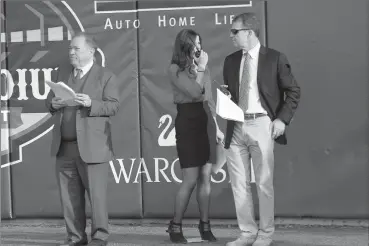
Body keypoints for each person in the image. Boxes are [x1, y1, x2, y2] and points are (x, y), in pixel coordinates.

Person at [222, 13, 301, 246]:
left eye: (234, 31)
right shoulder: (230, 60)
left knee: (264, 183)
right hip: (235, 126)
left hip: (262, 125)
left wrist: (282, 120)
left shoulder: (275, 58)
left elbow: (293, 91)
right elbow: (233, 93)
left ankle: (265, 234)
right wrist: (227, 97)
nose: (231, 36)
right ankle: (247, 233)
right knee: (239, 184)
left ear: (249, 32)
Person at [45, 32, 120, 246]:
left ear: (91, 51)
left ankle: (100, 236)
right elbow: (49, 103)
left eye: (76, 49)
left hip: (93, 147)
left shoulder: (106, 76)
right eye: (70, 48)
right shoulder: (62, 73)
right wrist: (54, 104)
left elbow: (114, 105)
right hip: (64, 146)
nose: (71, 52)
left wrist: (91, 103)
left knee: (96, 197)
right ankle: (75, 237)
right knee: (69, 198)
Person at [166, 29, 224, 243]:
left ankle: (205, 225)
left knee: (206, 176)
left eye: (200, 42)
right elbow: (193, 92)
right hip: (188, 122)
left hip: (206, 120)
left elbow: (207, 98)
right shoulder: (174, 69)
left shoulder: (203, 68)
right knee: (190, 179)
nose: (199, 47)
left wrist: (216, 126)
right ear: (185, 45)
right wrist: (200, 67)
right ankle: (175, 226)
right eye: (194, 43)